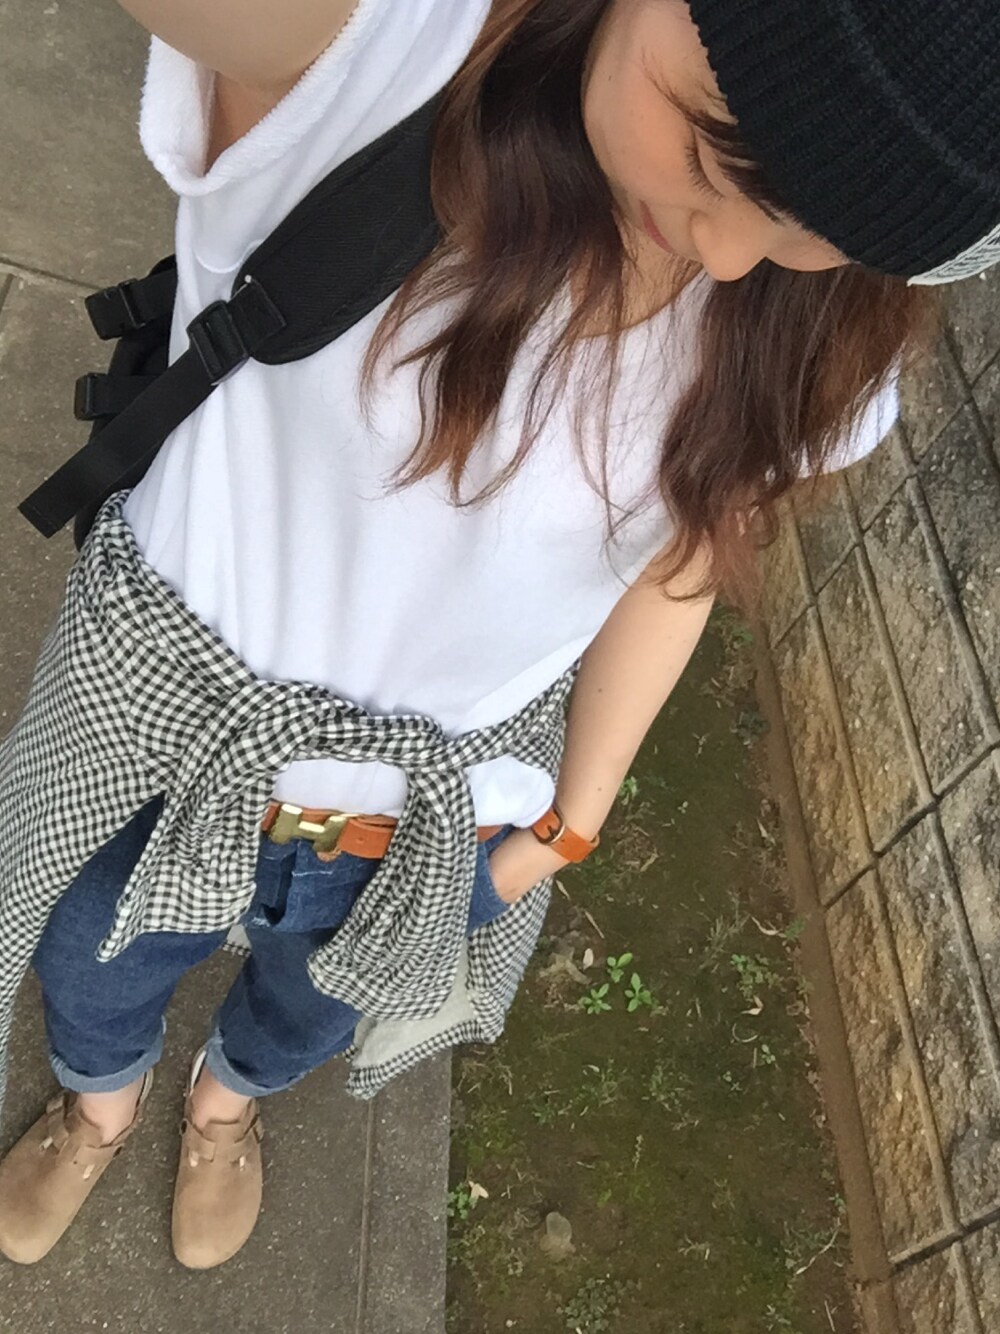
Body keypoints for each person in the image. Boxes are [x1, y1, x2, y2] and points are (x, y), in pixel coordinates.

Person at [0, 0, 996, 1272]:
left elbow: (678, 562)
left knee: (312, 1008)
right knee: (91, 961)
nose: (730, 251)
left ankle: (225, 1107)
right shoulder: (382, 52)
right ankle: (97, 1104)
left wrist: (570, 820)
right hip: (158, 736)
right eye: (716, 142)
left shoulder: (820, 338)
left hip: (437, 807)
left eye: (824, 225)